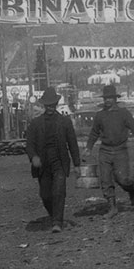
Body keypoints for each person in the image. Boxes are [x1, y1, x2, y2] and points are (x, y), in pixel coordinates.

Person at [84, 84, 134, 218]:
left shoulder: (123, 113)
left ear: (115, 99)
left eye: (110, 98)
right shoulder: (100, 115)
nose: (107, 100)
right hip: (105, 151)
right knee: (105, 179)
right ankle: (112, 207)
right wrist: (88, 148)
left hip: (120, 151)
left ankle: (132, 191)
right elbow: (94, 133)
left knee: (122, 179)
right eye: (106, 98)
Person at [26, 87, 82, 233]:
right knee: (45, 195)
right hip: (43, 163)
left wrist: (77, 164)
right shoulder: (35, 123)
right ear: (44, 105)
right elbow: (30, 145)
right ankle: (54, 215)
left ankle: (57, 222)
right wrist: (34, 157)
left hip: (59, 161)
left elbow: (72, 144)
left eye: (52, 105)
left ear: (56, 104)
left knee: (59, 191)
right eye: (48, 105)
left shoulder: (65, 122)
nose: (50, 108)